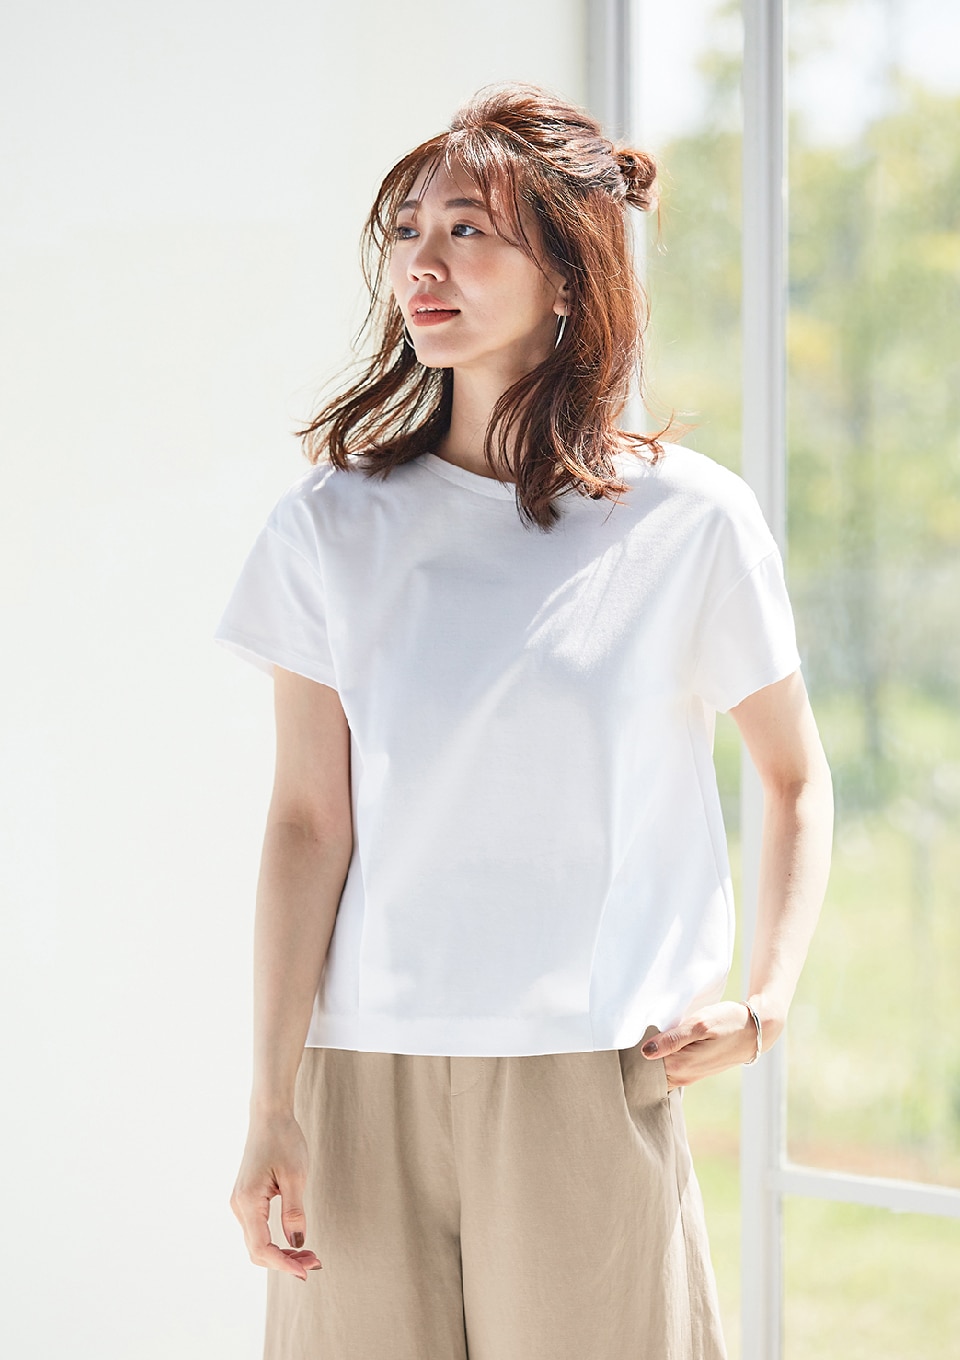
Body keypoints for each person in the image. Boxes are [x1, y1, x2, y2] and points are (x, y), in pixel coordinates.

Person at [214, 80, 834, 1360]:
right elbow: (307, 824)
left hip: (584, 1070)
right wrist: (270, 1100)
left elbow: (793, 778)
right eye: (407, 231)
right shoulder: (331, 526)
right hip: (360, 1073)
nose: (422, 264)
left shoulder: (689, 523)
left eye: (467, 231)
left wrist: (767, 1001)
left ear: (566, 272)